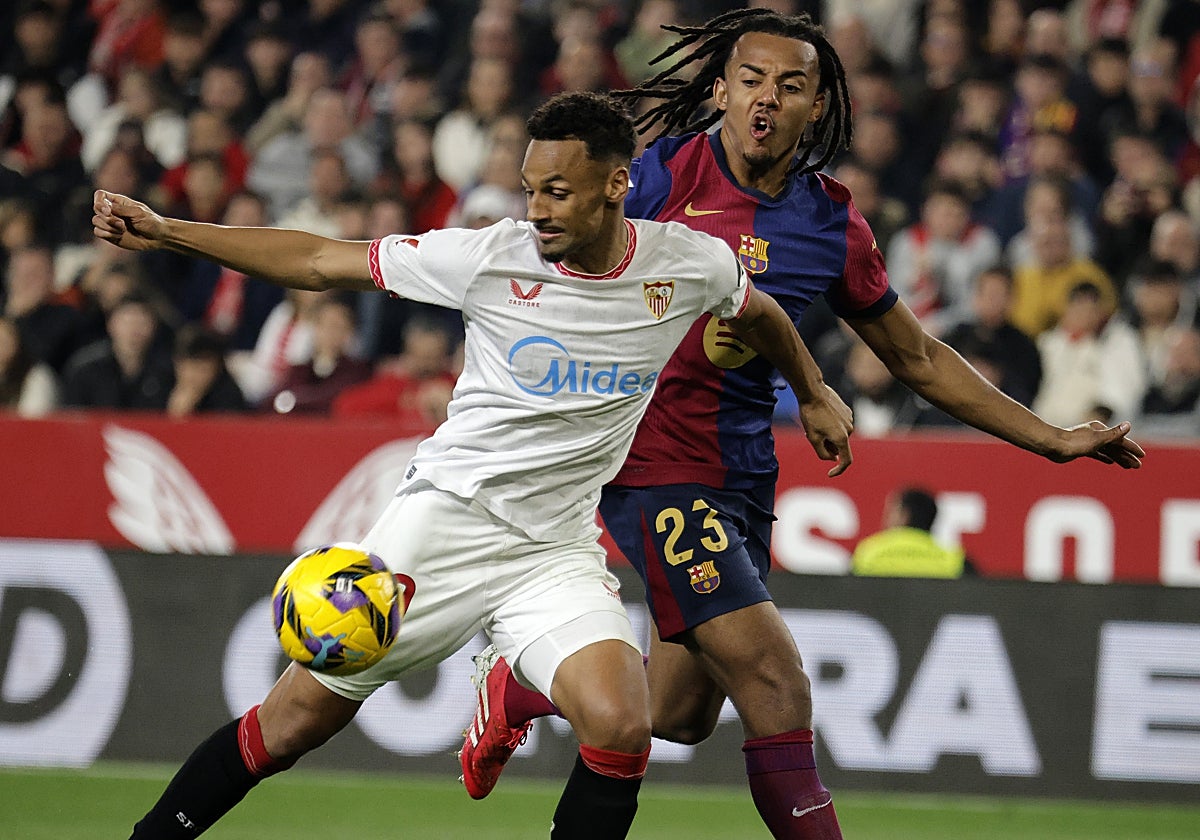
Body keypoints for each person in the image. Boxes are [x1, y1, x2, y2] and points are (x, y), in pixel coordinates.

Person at [92, 90, 854, 840]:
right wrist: (167, 233)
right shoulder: (489, 257)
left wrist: (814, 391)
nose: (539, 209)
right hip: (444, 528)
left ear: (616, 184)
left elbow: (756, 310)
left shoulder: (686, 265)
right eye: (531, 190)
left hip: (553, 548)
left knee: (623, 725)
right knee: (291, 726)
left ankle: (506, 686)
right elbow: (321, 261)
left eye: (558, 191)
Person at [459, 10, 1145, 840]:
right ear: (719, 90)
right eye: (750, 81)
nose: (766, 100)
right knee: (778, 686)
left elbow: (917, 357)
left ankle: (521, 688)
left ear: (817, 105)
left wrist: (1052, 438)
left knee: (675, 714)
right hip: (650, 466)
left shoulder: (830, 225)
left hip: (743, 479)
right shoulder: (655, 178)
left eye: (790, 87)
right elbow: (551, 271)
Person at [850, 485, 972, 578]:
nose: (885, 518)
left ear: (904, 516)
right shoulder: (953, 559)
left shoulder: (868, 552)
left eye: (891, 512)